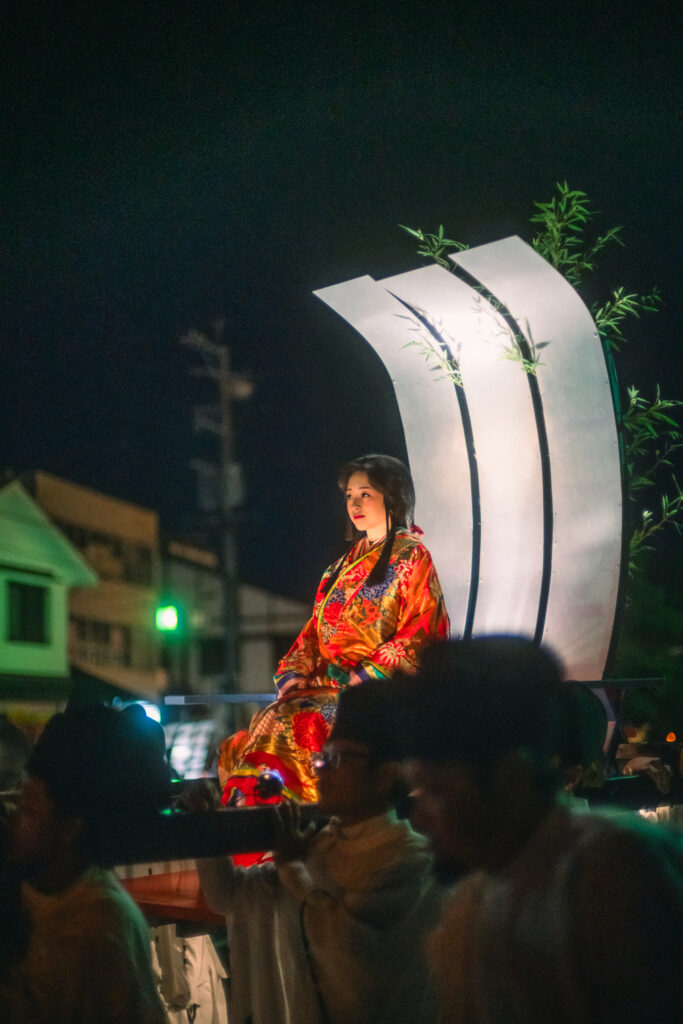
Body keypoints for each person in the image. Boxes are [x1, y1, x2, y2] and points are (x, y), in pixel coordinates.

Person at [390, 636, 683, 1024]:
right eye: (417, 790)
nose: (421, 818)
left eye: (437, 790)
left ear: (510, 775)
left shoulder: (609, 873)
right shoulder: (473, 896)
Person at [195, 682, 445, 1024]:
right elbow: (230, 897)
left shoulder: (410, 862)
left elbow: (353, 968)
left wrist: (294, 869)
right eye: (322, 757)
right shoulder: (321, 844)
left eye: (337, 759)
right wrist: (208, 829)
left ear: (386, 776)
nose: (320, 770)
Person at [220, 452, 449, 806]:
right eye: (349, 496)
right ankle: (260, 812)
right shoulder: (337, 569)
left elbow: (422, 630)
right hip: (326, 685)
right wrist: (296, 671)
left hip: (376, 690)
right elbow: (313, 632)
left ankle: (298, 813)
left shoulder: (412, 556)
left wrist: (364, 676)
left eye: (365, 494)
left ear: (393, 496)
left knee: (300, 721)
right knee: (269, 718)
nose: (355, 504)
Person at [2, 704, 170, 1024]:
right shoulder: (24, 887)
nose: (13, 819)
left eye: (28, 809)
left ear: (70, 826)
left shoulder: (102, 928)